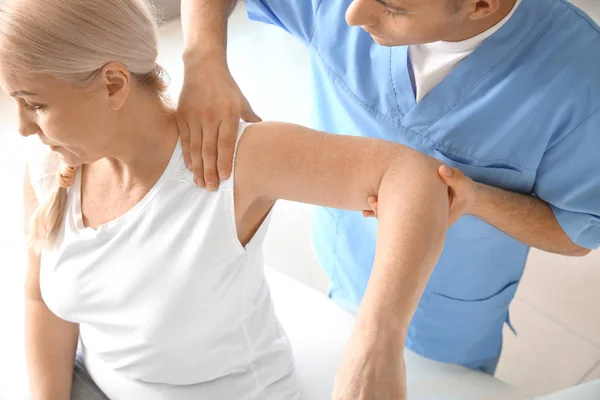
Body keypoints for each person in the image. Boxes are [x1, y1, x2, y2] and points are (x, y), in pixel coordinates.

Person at [0, 0, 472, 399]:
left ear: (113, 84)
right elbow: (41, 299)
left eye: (35, 104)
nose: (21, 127)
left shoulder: (225, 161)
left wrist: (378, 340)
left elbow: (412, 178)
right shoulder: (49, 165)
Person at [178, 0, 600, 397]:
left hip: (449, 316)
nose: (353, 15)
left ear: (482, 4)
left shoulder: (581, 80)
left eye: (393, 7)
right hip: (343, 257)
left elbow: (576, 232)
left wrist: (476, 198)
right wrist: (203, 58)